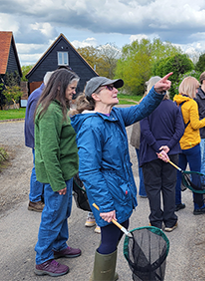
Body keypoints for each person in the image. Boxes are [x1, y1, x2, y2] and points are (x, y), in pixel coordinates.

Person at [72, 73, 170, 281]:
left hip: (121, 189)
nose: (115, 90)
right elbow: (88, 171)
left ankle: (107, 274)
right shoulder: (91, 126)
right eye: (110, 88)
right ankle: (101, 278)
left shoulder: (115, 116)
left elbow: (140, 110)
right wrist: (105, 205)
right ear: (95, 96)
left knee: (118, 233)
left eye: (115, 87)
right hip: (108, 193)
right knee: (109, 239)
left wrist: (156, 92)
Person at [30, 69, 83, 277]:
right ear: (60, 87)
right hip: (57, 175)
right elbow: (48, 151)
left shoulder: (58, 107)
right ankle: (42, 259)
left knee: (63, 211)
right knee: (53, 215)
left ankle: (59, 246)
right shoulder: (50, 111)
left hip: (65, 172)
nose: (74, 92)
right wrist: (57, 181)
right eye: (72, 88)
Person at [138, 76, 184, 232]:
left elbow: (145, 130)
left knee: (153, 188)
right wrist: (168, 147)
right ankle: (170, 221)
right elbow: (180, 130)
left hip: (151, 153)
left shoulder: (145, 106)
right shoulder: (173, 106)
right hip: (171, 153)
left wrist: (158, 148)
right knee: (169, 187)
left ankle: (156, 221)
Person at [174, 76, 205, 215]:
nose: (197, 90)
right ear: (191, 88)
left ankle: (176, 203)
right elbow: (195, 124)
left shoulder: (176, 101)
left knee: (178, 174)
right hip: (192, 144)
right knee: (196, 174)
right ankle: (199, 206)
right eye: (196, 87)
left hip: (179, 144)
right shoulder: (191, 103)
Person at [24, 71, 54, 212]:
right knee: (38, 168)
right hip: (38, 142)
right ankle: (34, 200)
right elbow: (32, 123)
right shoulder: (38, 96)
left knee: (41, 168)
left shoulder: (43, 94)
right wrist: (40, 143)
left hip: (40, 141)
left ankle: (39, 197)